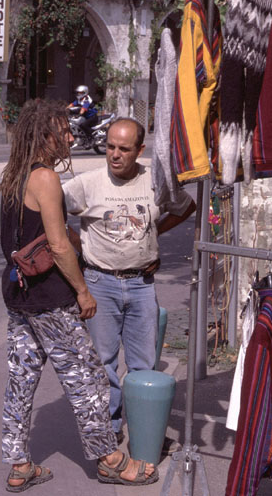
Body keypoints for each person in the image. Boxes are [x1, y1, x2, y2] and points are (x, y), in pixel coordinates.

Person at [0, 100, 158, 492]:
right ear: (45, 136)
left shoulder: (15, 174)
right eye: (64, 131)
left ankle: (19, 465)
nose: (70, 137)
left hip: (19, 294)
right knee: (89, 380)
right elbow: (59, 246)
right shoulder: (45, 177)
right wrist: (83, 291)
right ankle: (111, 460)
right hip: (50, 297)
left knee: (21, 380)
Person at [63, 117, 196, 448]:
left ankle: (144, 429)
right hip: (99, 283)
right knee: (103, 361)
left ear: (140, 150)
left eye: (124, 148)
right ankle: (108, 427)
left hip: (142, 284)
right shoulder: (87, 183)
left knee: (143, 363)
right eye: (110, 147)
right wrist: (79, 246)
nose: (115, 155)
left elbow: (186, 206)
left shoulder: (155, 183)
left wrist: (154, 232)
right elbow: (50, 212)